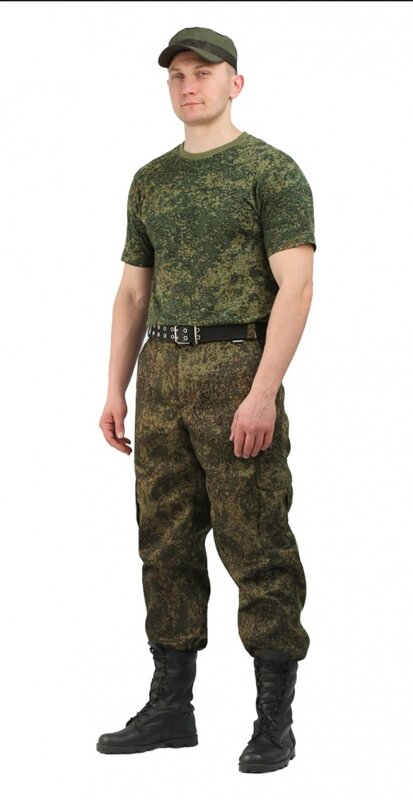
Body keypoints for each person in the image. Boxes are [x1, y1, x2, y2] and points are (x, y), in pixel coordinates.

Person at [96, 26, 316, 774]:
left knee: (255, 539)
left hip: (235, 367)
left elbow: (296, 285)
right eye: (178, 75)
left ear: (234, 83)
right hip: (161, 370)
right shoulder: (151, 180)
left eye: (204, 72)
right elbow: (133, 291)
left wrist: (262, 391)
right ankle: (171, 707)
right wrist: (115, 387)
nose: (189, 85)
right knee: (163, 538)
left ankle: (273, 718)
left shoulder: (270, 171)